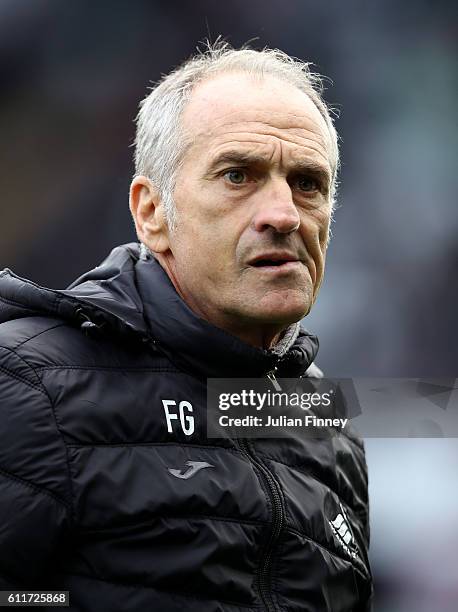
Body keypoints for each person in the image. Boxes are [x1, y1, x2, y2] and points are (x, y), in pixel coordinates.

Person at [0, 42, 372, 611]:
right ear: (152, 212)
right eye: (238, 175)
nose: (284, 214)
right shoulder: (27, 383)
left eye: (307, 183)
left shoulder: (327, 425)